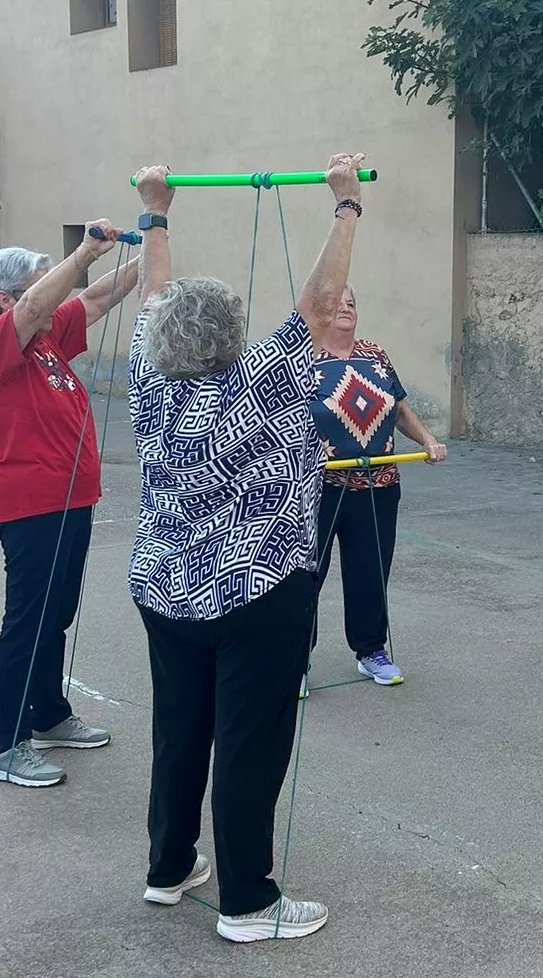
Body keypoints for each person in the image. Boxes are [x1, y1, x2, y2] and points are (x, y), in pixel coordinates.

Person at [125, 154, 368, 942]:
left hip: (166, 589)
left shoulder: (149, 377)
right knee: (249, 745)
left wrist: (155, 212)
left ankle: (169, 868)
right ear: (233, 335)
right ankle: (249, 904)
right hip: (256, 591)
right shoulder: (256, 380)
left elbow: (156, 296)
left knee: (181, 729)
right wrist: (346, 206)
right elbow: (323, 302)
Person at [0, 227, 141, 788]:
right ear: (7, 300)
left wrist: (152, 244)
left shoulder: (45, 340)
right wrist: (86, 250)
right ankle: (5, 745)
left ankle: (48, 715)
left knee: (55, 615)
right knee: (27, 622)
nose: (52, 301)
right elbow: (52, 298)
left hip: (70, 503)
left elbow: (91, 299)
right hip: (29, 507)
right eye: (39, 291)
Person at [307, 284, 447, 692]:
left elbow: (399, 406)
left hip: (378, 483)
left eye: (353, 302)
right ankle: (294, 658)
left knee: (371, 570)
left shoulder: (376, 355)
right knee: (304, 573)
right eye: (338, 303)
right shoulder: (303, 358)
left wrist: (427, 440)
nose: (347, 308)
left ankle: (371, 650)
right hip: (317, 486)